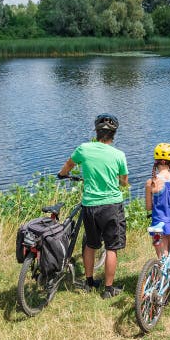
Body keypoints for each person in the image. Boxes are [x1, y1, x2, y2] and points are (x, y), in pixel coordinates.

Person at [58, 113, 129, 299]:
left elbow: (68, 165)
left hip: (90, 205)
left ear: (96, 132)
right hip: (112, 206)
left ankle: (89, 282)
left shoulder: (84, 149)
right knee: (112, 247)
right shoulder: (119, 155)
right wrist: (119, 181)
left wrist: (63, 174)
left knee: (91, 244)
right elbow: (124, 182)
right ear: (114, 135)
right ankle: (108, 289)